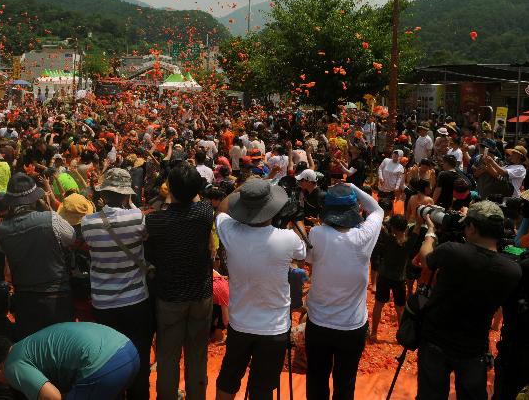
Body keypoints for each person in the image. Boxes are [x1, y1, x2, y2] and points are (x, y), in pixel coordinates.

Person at [415, 201, 522, 400]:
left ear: (472, 227)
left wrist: (430, 232)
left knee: (430, 395)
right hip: (474, 347)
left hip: (436, 339)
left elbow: (425, 260)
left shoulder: (452, 251)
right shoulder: (511, 270)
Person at [214, 179, 307, 400]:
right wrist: (298, 220)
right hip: (274, 329)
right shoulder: (287, 238)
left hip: (240, 325)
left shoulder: (230, 231)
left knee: (228, 381)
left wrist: (243, 187)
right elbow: (303, 252)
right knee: (262, 388)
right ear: (272, 208)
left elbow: (221, 209)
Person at [305, 183, 383, 400]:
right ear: (355, 210)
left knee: (316, 379)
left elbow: (309, 259)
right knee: (345, 381)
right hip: (352, 326)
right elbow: (377, 210)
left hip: (318, 323)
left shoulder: (318, 234)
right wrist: (353, 187)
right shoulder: (364, 236)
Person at [80, 168, 153, 400]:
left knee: (108, 357)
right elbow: (144, 236)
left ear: (103, 193)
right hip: (135, 301)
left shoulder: (87, 223)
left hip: (103, 303)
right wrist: (130, 205)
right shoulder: (137, 217)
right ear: (125, 195)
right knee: (139, 353)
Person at [145, 163, 214, 400]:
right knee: (197, 355)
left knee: (168, 357)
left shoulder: (156, 222)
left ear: (169, 189)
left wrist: (170, 196)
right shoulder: (205, 213)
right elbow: (195, 198)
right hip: (200, 295)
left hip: (169, 298)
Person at [0, 173, 75, 339]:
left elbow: (3, 250)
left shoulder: (0, 231)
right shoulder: (50, 218)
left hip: (25, 300)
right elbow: (70, 237)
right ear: (34, 198)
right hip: (56, 295)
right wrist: (48, 210)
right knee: (63, 345)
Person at [0, 322, 139, 400]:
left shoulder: (12, 366)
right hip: (129, 351)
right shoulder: (27, 345)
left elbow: (53, 398)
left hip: (104, 366)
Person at [369, 215, 412, 342]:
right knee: (400, 308)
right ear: (405, 227)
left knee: (378, 305)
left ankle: (374, 333)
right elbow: (417, 228)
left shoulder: (388, 239)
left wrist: (385, 222)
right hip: (399, 279)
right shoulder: (409, 242)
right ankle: (401, 336)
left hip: (384, 276)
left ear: (392, 227)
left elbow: (380, 226)